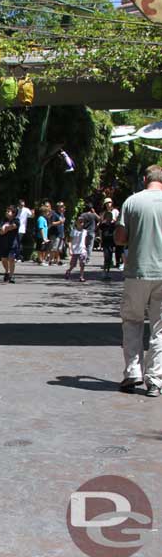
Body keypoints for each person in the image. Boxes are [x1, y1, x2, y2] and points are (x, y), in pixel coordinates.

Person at [114, 165, 162, 396]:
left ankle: (133, 372)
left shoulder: (132, 202)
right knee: (159, 328)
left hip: (137, 272)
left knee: (132, 321)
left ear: (145, 179)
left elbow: (121, 239)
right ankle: (155, 380)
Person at [0, 205, 20, 283]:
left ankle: (11, 275)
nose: (7, 212)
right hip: (4, 243)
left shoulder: (16, 220)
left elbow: (13, 226)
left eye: (9, 211)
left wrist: (6, 228)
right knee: (4, 259)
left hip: (13, 243)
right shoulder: (3, 220)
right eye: (6, 211)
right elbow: (1, 231)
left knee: (11, 259)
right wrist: (6, 228)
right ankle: (6, 271)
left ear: (13, 213)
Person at [64, 216, 87, 283]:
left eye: (82, 222)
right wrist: (70, 249)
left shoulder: (85, 231)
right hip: (75, 250)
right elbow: (70, 241)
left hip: (82, 250)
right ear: (76, 223)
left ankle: (81, 276)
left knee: (82, 263)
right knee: (73, 265)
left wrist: (85, 247)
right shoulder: (73, 231)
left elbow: (84, 240)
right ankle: (69, 271)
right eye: (79, 222)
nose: (81, 223)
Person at [103, 196, 124, 268]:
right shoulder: (104, 213)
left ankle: (118, 262)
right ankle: (109, 261)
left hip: (115, 230)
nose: (108, 204)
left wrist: (115, 221)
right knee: (109, 248)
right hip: (107, 231)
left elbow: (119, 220)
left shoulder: (115, 211)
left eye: (109, 202)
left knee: (118, 248)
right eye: (106, 203)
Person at [99, 209, 116, 279]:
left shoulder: (113, 225)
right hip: (105, 242)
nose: (109, 218)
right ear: (105, 217)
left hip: (111, 242)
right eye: (107, 216)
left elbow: (115, 233)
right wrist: (100, 240)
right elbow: (100, 231)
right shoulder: (103, 225)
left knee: (110, 257)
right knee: (106, 257)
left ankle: (108, 271)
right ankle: (104, 271)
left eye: (110, 216)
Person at [47, 202, 65, 266]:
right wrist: (60, 222)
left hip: (61, 234)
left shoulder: (62, 214)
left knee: (59, 249)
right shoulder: (54, 214)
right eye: (61, 206)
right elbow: (52, 223)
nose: (63, 208)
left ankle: (57, 261)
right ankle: (50, 261)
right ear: (58, 207)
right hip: (55, 234)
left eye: (63, 206)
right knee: (54, 248)